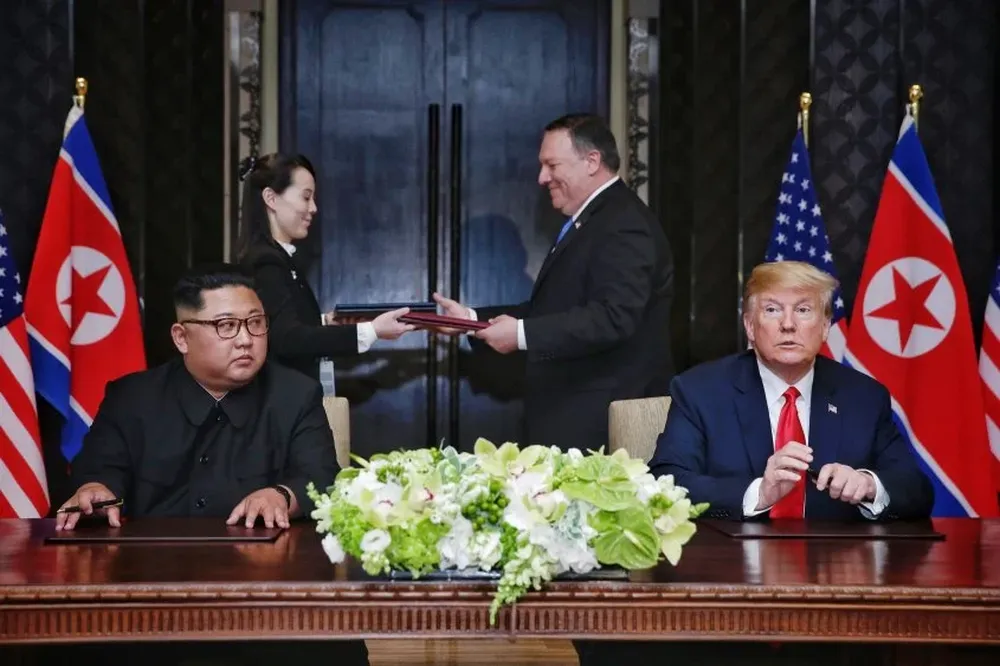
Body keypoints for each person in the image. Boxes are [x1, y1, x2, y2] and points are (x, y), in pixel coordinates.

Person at [54, 264, 369, 664]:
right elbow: (98, 468)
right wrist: (94, 489)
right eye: (226, 326)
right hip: (149, 594)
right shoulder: (132, 397)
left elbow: (321, 476)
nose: (245, 340)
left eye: (256, 323)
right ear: (181, 337)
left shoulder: (296, 395)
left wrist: (282, 495)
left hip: (264, 595)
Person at [432, 113, 674, 451]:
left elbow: (613, 317)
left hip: (600, 424)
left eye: (552, 165)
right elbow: (554, 308)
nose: (542, 177)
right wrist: (470, 320)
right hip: (574, 414)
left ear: (592, 162)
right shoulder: (595, 219)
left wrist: (519, 335)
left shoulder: (622, 224)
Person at [648, 260, 934, 521]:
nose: (788, 325)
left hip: (836, 566)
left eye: (803, 310)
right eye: (772, 310)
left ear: (824, 327)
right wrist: (758, 493)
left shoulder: (864, 397)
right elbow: (665, 483)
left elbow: (916, 491)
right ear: (749, 325)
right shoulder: (700, 391)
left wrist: (869, 485)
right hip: (731, 563)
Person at [236, 153, 414, 384]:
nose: (314, 208)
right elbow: (287, 338)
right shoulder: (265, 262)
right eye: (306, 197)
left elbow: (281, 322)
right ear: (271, 198)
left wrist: (325, 323)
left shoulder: (280, 258)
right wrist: (373, 331)